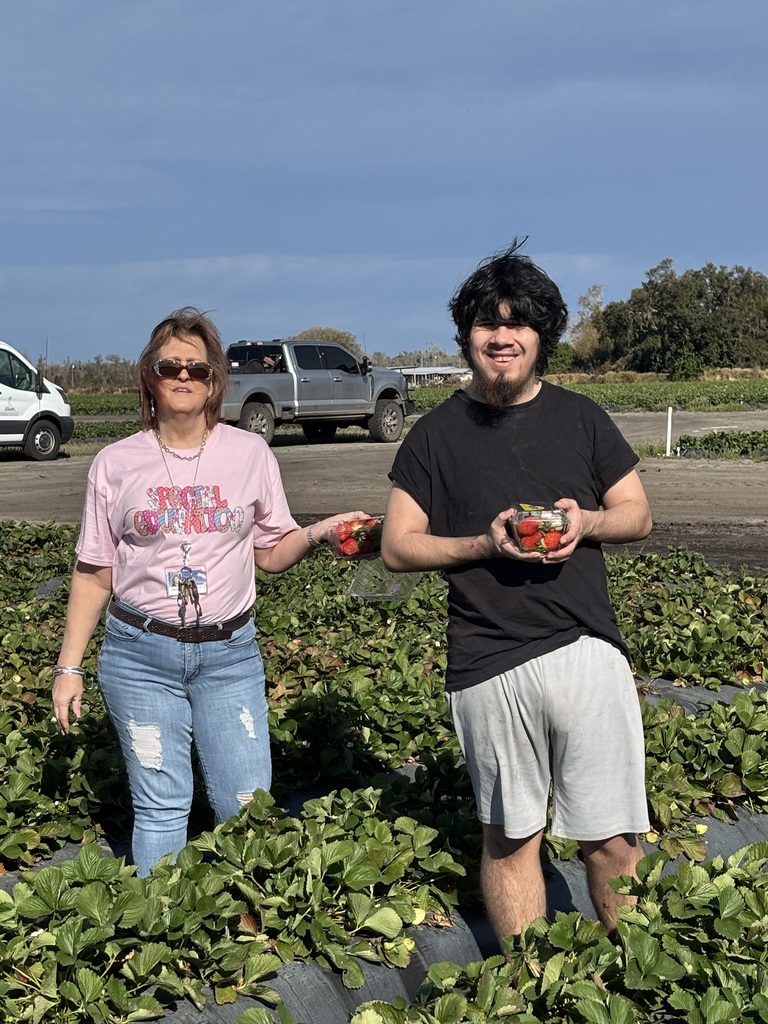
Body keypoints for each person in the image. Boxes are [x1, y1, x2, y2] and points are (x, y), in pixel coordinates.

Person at [381, 241, 652, 943]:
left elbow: (638, 514)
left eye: (519, 324)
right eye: (486, 325)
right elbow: (397, 544)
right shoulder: (433, 436)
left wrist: (584, 521)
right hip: (487, 659)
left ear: (542, 336)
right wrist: (482, 544)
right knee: (511, 838)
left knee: (615, 841)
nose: (502, 338)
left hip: (586, 647)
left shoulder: (583, 418)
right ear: (467, 337)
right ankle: (530, 989)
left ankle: (638, 978)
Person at [53, 307, 363, 876]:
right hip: (139, 655)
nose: (183, 376)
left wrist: (319, 534)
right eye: (169, 365)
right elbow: (95, 570)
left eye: (197, 368)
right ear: (148, 373)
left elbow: (270, 551)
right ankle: (167, 940)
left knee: (246, 806)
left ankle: (244, 935)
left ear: (216, 379)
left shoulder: (249, 454)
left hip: (229, 656)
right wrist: (67, 668)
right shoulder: (114, 463)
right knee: (162, 806)